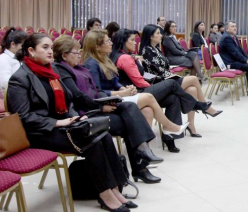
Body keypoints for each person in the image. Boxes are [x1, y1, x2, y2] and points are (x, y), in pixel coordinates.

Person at [7, 33, 134, 212]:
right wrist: (57, 123)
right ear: (30, 51)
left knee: (103, 135)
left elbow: (70, 100)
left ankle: (115, 189)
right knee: (92, 141)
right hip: (38, 132)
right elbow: (23, 117)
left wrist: (75, 117)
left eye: (51, 47)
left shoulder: (50, 73)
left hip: (61, 125)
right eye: (45, 47)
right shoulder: (20, 79)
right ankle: (105, 195)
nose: (50, 51)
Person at [52, 36, 170, 184]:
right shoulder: (62, 69)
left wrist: (112, 98)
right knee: (129, 121)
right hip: (85, 113)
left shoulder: (78, 67)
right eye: (76, 52)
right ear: (64, 55)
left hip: (95, 105)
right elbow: (78, 96)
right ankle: (140, 166)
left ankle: (143, 152)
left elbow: (95, 91)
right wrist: (101, 106)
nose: (79, 55)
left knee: (130, 107)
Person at [82, 30, 195, 154]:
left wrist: (123, 88)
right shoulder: (92, 63)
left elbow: (115, 83)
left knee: (171, 99)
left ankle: (147, 150)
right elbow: (97, 92)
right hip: (109, 101)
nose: (111, 43)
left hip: (122, 95)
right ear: (97, 47)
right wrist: (121, 93)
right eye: (107, 41)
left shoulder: (105, 59)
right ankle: (171, 125)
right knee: (164, 89)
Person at [140, 24, 223, 137]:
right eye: (158, 33)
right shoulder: (147, 50)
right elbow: (157, 72)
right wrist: (174, 76)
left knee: (193, 89)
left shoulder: (156, 49)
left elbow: (165, 68)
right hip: (159, 83)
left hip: (167, 78)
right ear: (150, 36)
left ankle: (191, 125)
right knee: (193, 79)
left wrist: (173, 75)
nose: (161, 35)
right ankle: (205, 106)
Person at [219, 21, 248, 98]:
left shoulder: (234, 37)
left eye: (235, 26)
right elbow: (235, 53)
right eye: (232, 26)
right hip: (229, 63)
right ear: (227, 29)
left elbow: (240, 50)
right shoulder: (226, 38)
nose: (235, 28)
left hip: (235, 60)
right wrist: (246, 61)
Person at [0, 28, 28, 94]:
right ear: (13, 44)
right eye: (23, 46)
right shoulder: (3, 59)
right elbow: (5, 83)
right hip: (12, 95)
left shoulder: (20, 58)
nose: (25, 49)